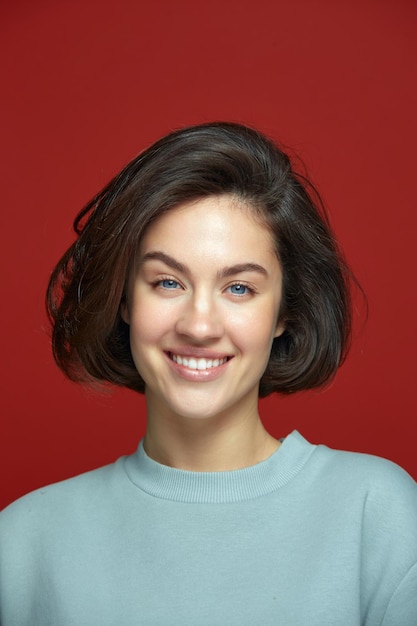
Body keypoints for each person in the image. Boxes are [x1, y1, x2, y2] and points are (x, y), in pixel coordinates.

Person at [0, 122, 416, 625]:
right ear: (125, 299)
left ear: (285, 311)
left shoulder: (380, 518)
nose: (199, 325)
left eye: (239, 288)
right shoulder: (23, 544)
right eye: (168, 282)